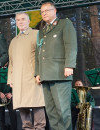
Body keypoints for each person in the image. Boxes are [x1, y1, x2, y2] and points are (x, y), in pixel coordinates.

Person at [35, 2, 77, 130]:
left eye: (47, 10)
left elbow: (71, 45)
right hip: (45, 75)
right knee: (51, 112)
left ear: (55, 10)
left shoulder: (64, 23)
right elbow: (38, 54)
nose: (45, 13)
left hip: (60, 73)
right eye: (42, 12)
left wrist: (69, 65)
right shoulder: (42, 31)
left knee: (62, 112)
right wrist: (37, 73)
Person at [7, 12, 46, 130]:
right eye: (18, 20)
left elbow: (42, 56)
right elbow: (11, 62)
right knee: (23, 110)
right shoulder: (14, 41)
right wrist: (10, 78)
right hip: (18, 79)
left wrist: (40, 73)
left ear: (28, 21)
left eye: (23, 19)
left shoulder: (37, 34)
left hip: (34, 78)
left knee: (37, 105)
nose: (20, 21)